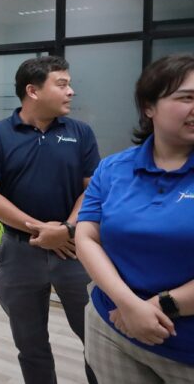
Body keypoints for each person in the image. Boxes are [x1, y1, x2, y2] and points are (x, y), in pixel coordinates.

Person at [0, 55, 99, 384]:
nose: (71, 91)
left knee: (97, 342)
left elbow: (93, 189)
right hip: (20, 251)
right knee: (30, 344)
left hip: (74, 250)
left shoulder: (81, 133)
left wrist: (66, 229)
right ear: (33, 91)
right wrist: (42, 231)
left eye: (69, 84)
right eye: (62, 84)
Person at [76, 54, 194, 383]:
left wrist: (158, 307)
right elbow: (87, 237)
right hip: (112, 328)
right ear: (148, 107)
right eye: (187, 98)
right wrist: (128, 305)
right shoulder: (114, 168)